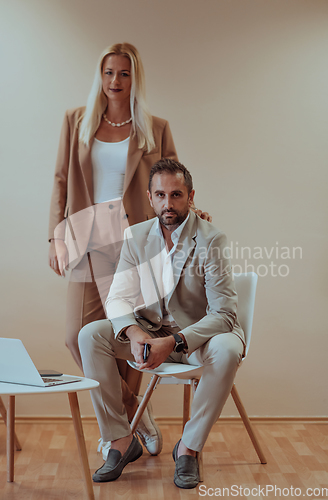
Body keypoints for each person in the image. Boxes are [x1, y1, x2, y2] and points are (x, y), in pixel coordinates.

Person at [48, 43, 211, 458]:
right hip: (86, 232)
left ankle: (118, 437)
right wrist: (54, 236)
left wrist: (192, 211)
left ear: (134, 78)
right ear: (99, 77)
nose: (115, 82)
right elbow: (61, 180)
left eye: (123, 74)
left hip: (137, 239)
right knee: (75, 335)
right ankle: (134, 411)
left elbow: (173, 180)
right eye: (108, 73)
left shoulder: (154, 127)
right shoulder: (76, 120)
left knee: (132, 334)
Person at [78, 158, 245, 489]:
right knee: (90, 336)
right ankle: (121, 441)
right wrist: (137, 334)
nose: (168, 204)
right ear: (151, 197)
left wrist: (175, 341)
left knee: (228, 349)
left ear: (190, 196)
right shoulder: (136, 237)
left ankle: (188, 448)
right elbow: (118, 298)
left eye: (176, 195)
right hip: (151, 333)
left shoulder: (212, 240)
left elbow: (225, 314)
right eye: (161, 195)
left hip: (198, 341)